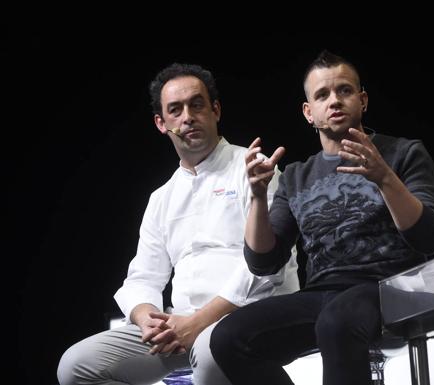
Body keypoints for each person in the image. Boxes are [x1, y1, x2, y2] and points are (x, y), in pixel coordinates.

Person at [210, 50, 434, 385]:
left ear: (362, 100)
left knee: (336, 321)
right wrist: (259, 199)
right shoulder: (295, 176)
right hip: (323, 293)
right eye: (322, 95)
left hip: (392, 286)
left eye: (345, 91)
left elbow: (429, 236)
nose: (334, 100)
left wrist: (384, 178)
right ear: (309, 112)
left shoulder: (403, 153)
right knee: (228, 337)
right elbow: (263, 261)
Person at [57, 63, 299, 385]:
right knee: (76, 366)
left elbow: (265, 271)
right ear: (161, 123)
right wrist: (147, 320)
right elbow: (143, 276)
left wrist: (197, 323)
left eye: (197, 104)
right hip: (180, 325)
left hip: (249, 318)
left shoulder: (254, 170)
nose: (187, 116)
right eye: (175, 110)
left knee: (212, 355)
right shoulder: (162, 198)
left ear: (215, 110)